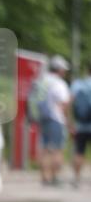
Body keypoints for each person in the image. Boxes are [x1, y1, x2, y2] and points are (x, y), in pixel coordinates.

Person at [38, 55, 71, 186]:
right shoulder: (59, 83)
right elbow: (64, 104)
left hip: (43, 118)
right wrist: (68, 121)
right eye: (64, 69)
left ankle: (44, 178)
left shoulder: (42, 80)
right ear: (59, 69)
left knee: (45, 149)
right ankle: (55, 177)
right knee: (57, 149)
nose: (65, 72)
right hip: (56, 119)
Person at [69, 60, 91, 188]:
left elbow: (70, 103)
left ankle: (77, 179)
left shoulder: (78, 84)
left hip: (80, 125)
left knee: (79, 152)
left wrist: (70, 123)